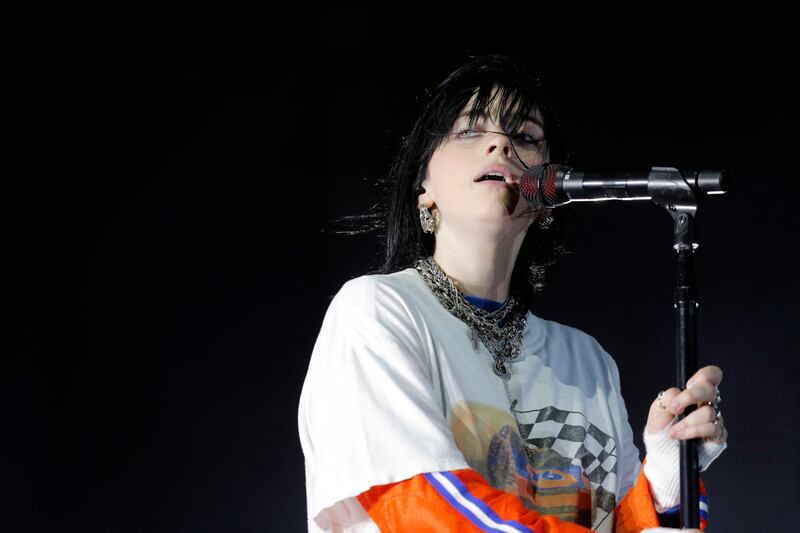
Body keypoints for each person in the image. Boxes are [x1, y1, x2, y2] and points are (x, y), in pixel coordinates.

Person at [298, 54, 727, 533]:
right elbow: (419, 509)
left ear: (548, 193)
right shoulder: (377, 311)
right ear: (424, 187)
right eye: (469, 131)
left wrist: (667, 484)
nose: (501, 144)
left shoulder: (587, 362)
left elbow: (612, 524)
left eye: (525, 137)